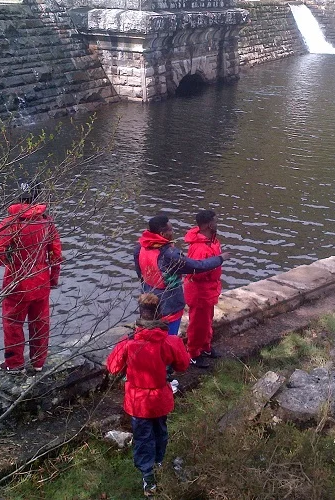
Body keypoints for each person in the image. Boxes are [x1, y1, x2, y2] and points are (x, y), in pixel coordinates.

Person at [106, 293, 190, 497]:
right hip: (160, 398)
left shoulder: (128, 343)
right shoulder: (171, 341)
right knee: (160, 431)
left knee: (143, 437)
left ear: (140, 315)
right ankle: (159, 462)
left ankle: (148, 478)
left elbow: (113, 367)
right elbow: (183, 365)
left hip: (138, 402)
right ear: (160, 314)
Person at [0, 182, 62, 374]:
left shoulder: (11, 223)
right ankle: (38, 362)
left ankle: (15, 364)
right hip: (41, 280)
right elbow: (55, 253)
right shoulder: (47, 222)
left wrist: (6, 261)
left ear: (19, 198)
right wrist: (53, 278)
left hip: (17, 281)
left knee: (13, 324)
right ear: (37, 198)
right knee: (40, 323)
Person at [134, 215, 228, 365]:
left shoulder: (140, 247)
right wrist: (220, 259)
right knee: (168, 337)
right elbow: (197, 266)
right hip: (169, 302)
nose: (173, 232)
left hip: (149, 299)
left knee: (151, 335)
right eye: (171, 229)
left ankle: (158, 366)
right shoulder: (170, 254)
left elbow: (140, 273)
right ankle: (166, 371)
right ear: (163, 234)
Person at [184, 210, 224, 365]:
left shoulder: (212, 241)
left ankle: (205, 346)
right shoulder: (200, 248)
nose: (217, 223)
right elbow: (196, 273)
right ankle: (193, 353)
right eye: (215, 221)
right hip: (200, 291)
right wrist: (215, 263)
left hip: (210, 289)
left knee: (207, 321)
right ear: (208, 224)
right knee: (197, 324)